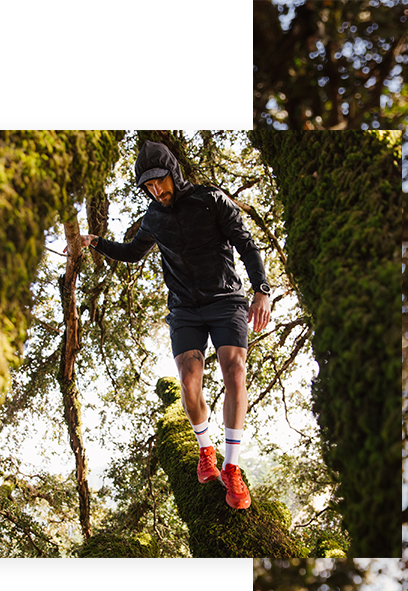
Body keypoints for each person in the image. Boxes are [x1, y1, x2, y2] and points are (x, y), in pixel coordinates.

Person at [73, 141, 272, 510]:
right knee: (188, 379)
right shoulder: (153, 218)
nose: (156, 190)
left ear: (173, 174)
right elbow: (133, 253)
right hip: (184, 310)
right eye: (148, 186)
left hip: (225, 301)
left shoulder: (212, 200)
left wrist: (261, 290)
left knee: (235, 370)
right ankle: (206, 451)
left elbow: (245, 243)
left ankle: (232, 467)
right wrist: (95, 242)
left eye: (160, 182)